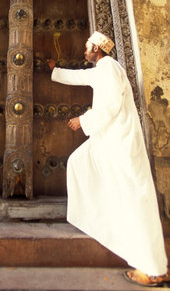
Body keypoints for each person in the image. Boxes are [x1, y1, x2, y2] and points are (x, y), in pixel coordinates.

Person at [47, 31, 168, 286]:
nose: (84, 51)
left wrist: (83, 120)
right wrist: (56, 70)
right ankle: (110, 228)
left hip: (119, 145)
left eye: (87, 47)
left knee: (134, 200)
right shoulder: (102, 68)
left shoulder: (109, 68)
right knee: (80, 164)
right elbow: (81, 77)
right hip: (110, 142)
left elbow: (112, 104)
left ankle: (154, 269)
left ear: (97, 49)